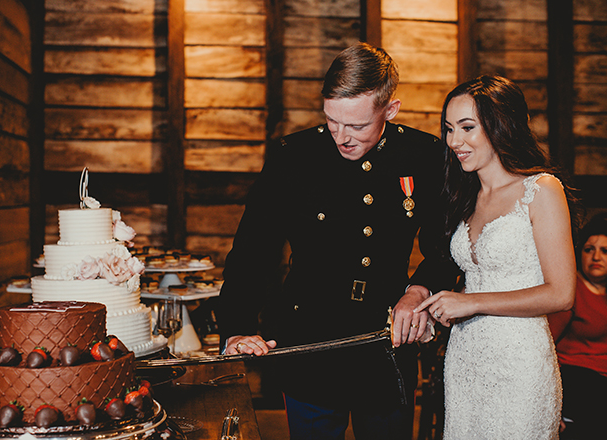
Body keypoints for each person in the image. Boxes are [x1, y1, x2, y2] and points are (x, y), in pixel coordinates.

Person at [216, 42, 459, 439]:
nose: (342, 137)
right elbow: (252, 252)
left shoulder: (423, 155)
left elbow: (447, 243)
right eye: (332, 121)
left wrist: (419, 290)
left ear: (390, 110)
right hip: (310, 344)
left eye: (358, 126)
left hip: (385, 347)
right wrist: (237, 327)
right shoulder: (292, 157)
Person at [414, 75, 578, 439]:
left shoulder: (540, 189)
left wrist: (470, 303)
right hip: (465, 360)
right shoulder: (464, 196)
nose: (454, 141)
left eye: (467, 127)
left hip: (519, 362)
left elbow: (562, 293)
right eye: (449, 129)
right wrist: (435, 312)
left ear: (500, 124)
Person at [548, 212, 607, 439]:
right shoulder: (570, 291)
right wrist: (554, 407)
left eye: (605, 251)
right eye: (589, 249)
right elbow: (546, 345)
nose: (596, 257)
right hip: (577, 379)